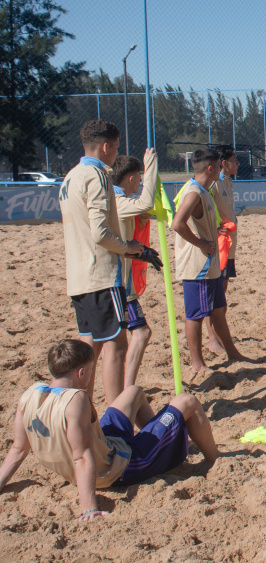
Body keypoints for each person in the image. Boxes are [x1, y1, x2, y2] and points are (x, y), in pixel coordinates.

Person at [0, 340, 218, 520]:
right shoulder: (76, 399)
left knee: (133, 392)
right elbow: (83, 457)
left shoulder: (30, 394)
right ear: (82, 372)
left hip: (103, 449)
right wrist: (89, 509)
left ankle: (159, 443)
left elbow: (18, 450)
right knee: (187, 401)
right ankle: (215, 459)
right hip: (116, 469)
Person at [58, 120, 145, 405]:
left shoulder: (71, 175)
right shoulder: (96, 175)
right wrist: (127, 247)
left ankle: (75, 410)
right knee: (117, 346)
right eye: (116, 147)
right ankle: (115, 415)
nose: (116, 153)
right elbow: (100, 232)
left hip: (78, 276)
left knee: (89, 348)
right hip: (102, 275)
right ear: (106, 146)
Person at [172, 148, 249, 373]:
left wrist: (212, 232)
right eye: (218, 165)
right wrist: (200, 243)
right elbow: (177, 224)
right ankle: (198, 364)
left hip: (209, 263)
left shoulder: (204, 190)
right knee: (196, 315)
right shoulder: (194, 192)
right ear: (211, 168)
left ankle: (233, 354)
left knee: (218, 309)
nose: (222, 169)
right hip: (197, 265)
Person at [111, 149, 159, 387]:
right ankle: (125, 389)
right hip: (117, 285)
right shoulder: (118, 201)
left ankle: (125, 388)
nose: (141, 181)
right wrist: (151, 166)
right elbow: (146, 203)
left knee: (129, 337)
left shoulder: (116, 200)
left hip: (121, 283)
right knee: (135, 335)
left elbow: (143, 213)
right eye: (139, 176)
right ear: (131, 178)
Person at [208, 145, 239, 347]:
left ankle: (219, 333)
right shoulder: (213, 184)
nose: (237, 164)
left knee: (223, 288)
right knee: (215, 292)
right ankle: (212, 337)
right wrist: (215, 227)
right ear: (224, 163)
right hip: (219, 245)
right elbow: (203, 208)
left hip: (229, 245)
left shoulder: (228, 182)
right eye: (234, 161)